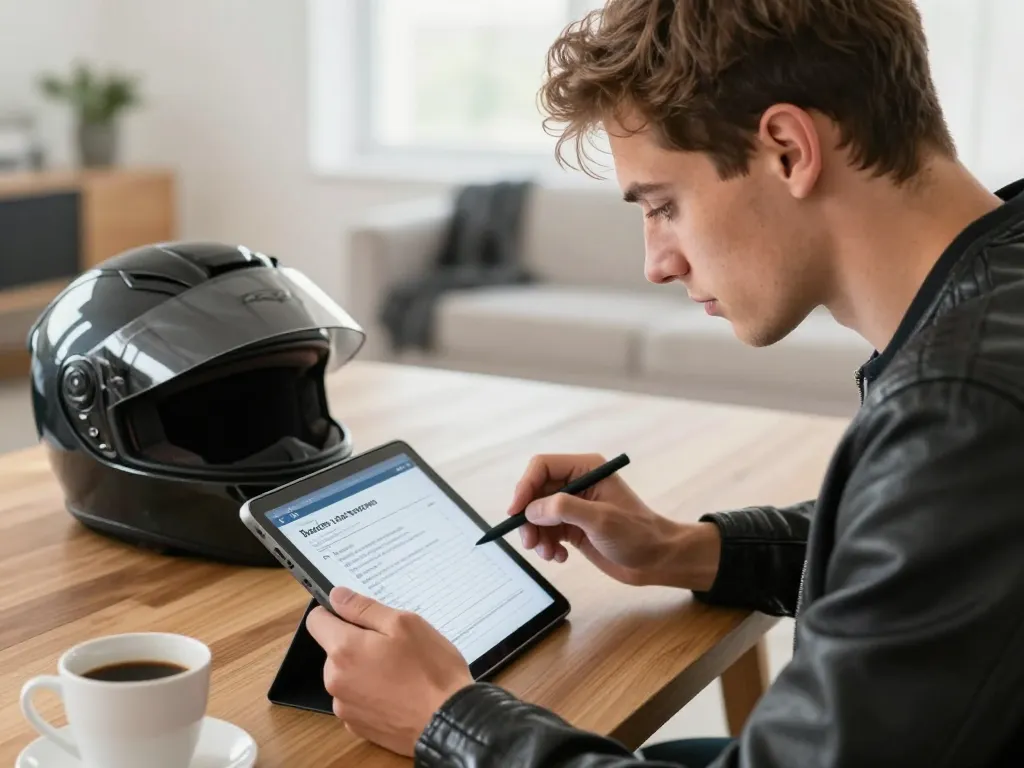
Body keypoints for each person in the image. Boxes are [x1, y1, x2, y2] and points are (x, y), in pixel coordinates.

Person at [304, 0, 1024, 765]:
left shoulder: (961, 409)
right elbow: (925, 552)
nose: (658, 263)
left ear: (787, 148)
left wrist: (445, 718)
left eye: (663, 206)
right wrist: (687, 549)